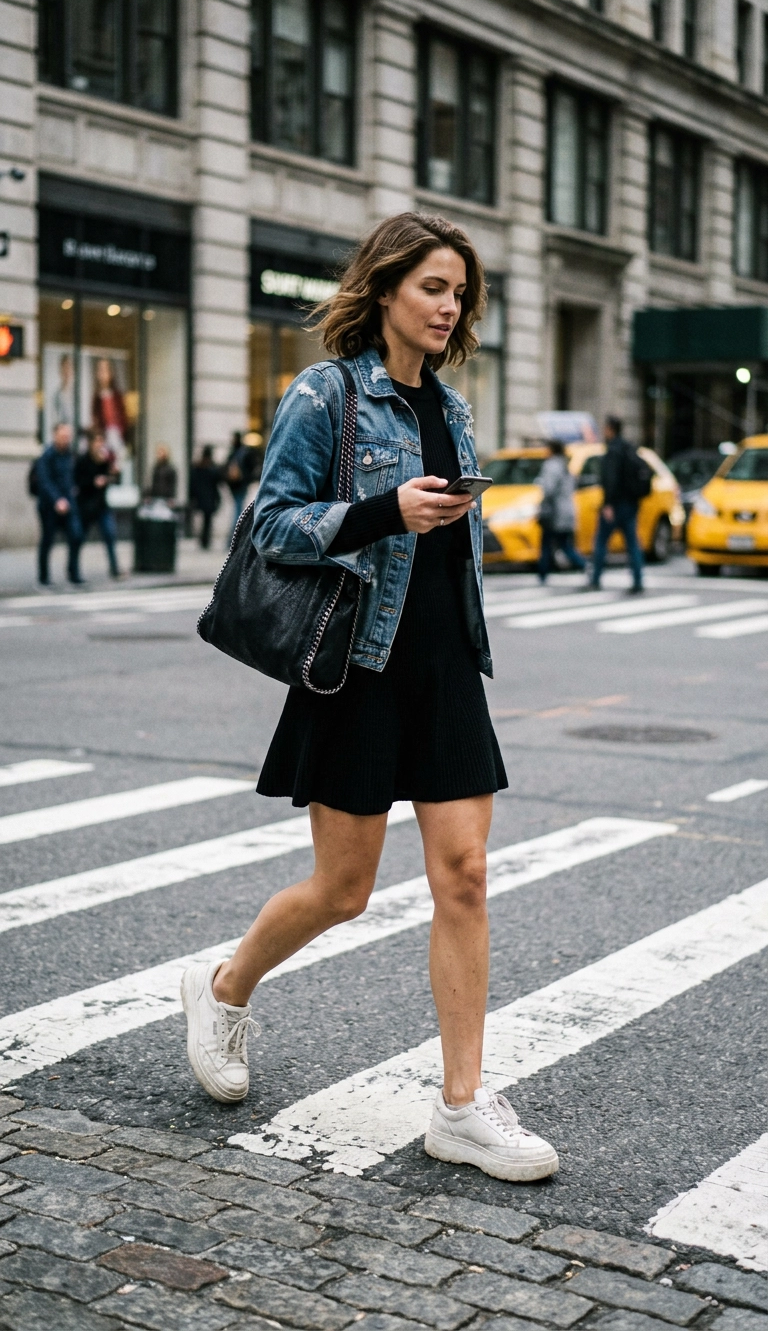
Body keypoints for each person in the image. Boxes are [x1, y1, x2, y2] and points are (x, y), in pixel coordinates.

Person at [181, 212, 559, 1184]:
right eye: (434, 286)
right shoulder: (329, 392)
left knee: (465, 875)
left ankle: (464, 1106)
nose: (450, 306)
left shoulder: (454, 407)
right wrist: (384, 510)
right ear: (386, 286)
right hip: (358, 669)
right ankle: (223, 987)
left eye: (461, 292)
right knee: (343, 890)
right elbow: (271, 525)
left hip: (441, 671)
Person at [589, 415, 644, 594]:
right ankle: (638, 580)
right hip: (630, 504)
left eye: (605, 428)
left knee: (601, 542)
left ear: (610, 429)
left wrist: (608, 504)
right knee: (632, 544)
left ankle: (595, 579)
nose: (604, 431)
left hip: (616, 504)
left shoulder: (613, 450)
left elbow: (610, 480)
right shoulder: (629, 448)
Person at [36, 422, 84, 586]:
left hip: (69, 504)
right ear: (55, 435)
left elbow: (74, 477)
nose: (66, 439)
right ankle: (43, 576)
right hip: (50, 506)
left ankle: (74, 572)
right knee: (48, 539)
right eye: (63, 436)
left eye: (68, 436)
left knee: (76, 535)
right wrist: (57, 500)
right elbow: (45, 481)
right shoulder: (47, 456)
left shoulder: (71, 455)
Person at [536, 439, 586, 583]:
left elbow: (549, 490)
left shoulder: (551, 465)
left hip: (554, 512)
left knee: (547, 544)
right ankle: (584, 565)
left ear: (552, 450)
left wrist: (542, 505)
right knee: (564, 545)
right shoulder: (565, 465)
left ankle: (543, 574)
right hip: (567, 511)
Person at [75, 430, 120, 578]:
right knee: (79, 537)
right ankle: (73, 570)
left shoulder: (104, 460)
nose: (100, 445)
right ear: (91, 443)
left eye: (102, 441)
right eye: (98, 441)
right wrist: (93, 482)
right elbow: (77, 482)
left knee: (110, 535)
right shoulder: (82, 460)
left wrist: (113, 474)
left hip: (101, 506)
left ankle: (114, 569)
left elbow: (113, 481)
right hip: (86, 506)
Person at [224, 432, 259, 541]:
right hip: (241, 485)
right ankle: (235, 538)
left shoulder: (233, 452)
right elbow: (253, 468)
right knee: (238, 511)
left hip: (235, 486)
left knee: (237, 510)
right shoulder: (244, 452)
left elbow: (225, 468)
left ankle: (232, 538)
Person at [91, 358, 128, 462]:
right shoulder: (97, 397)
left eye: (105, 370)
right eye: (100, 370)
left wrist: (120, 432)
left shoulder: (117, 396)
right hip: (104, 436)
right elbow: (95, 418)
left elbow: (123, 418)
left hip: (117, 436)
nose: (103, 374)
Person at [189, 445, 222, 549]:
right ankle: (205, 540)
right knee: (207, 521)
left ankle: (204, 540)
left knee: (205, 520)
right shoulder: (211, 467)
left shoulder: (199, 467)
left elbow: (193, 482)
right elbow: (217, 481)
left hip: (202, 496)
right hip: (209, 496)